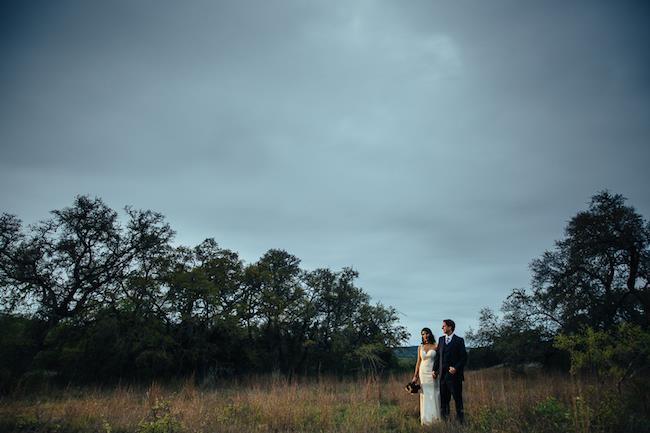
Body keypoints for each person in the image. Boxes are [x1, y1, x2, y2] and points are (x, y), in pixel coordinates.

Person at [433, 319, 468, 423]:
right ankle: (445, 421)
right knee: (444, 400)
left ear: (450, 327)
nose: (442, 328)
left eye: (444, 326)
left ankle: (460, 421)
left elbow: (464, 358)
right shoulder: (441, 339)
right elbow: (438, 356)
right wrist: (434, 370)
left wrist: (456, 368)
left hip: (454, 376)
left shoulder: (459, 340)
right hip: (442, 376)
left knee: (457, 399)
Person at [412, 327, 441, 425]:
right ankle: (426, 419)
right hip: (423, 372)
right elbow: (418, 362)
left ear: (430, 334)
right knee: (425, 394)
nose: (425, 336)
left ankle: (435, 419)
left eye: (426, 333)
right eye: (423, 334)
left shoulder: (436, 346)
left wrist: (436, 371)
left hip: (432, 372)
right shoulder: (420, 347)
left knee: (434, 393)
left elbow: (439, 361)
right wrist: (415, 376)